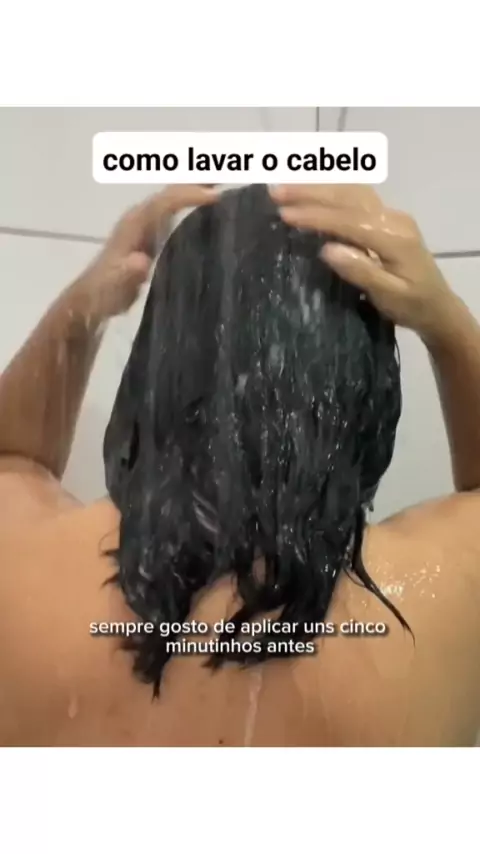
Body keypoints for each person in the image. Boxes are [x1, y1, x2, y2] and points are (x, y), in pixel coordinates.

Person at [1, 182, 480, 747]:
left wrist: (82, 308)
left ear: (158, 360)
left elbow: (13, 455)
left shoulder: (26, 580)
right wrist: (445, 321)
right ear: (362, 382)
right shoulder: (435, 614)